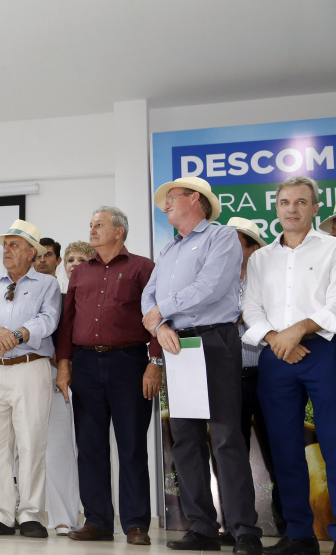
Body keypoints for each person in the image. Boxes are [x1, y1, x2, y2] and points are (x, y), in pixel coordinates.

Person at [142, 176, 262, 555]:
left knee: (226, 437)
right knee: (186, 439)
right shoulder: (168, 249)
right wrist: (160, 326)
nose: (166, 204)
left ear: (195, 198)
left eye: (172, 197)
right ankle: (203, 527)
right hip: (177, 344)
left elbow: (210, 286)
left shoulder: (221, 237)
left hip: (214, 340)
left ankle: (244, 530)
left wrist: (161, 312)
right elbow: (148, 295)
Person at [242, 176, 336, 555]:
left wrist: (297, 330)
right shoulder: (261, 258)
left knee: (334, 444)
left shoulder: (332, 249)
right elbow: (250, 308)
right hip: (277, 356)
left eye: (301, 202)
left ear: (315, 208)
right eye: (285, 202)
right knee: (284, 447)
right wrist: (275, 338)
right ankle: (299, 535)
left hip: (325, 352)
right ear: (276, 208)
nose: (292, 209)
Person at [55, 207, 159, 546]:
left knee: (131, 446)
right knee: (90, 447)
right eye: (91, 225)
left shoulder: (143, 267)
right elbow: (68, 321)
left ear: (119, 231)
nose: (92, 230)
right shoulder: (81, 272)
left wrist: (155, 362)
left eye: (99, 225)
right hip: (85, 364)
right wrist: (64, 363)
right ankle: (97, 521)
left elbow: (157, 316)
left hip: (129, 363)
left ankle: (136, 524)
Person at [0, 219, 60, 538]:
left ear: (32, 253)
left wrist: (15, 336)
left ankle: (31, 514)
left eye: (14, 244)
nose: (7, 249)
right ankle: (0, 514)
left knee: (32, 442)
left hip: (29, 368)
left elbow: (48, 320)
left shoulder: (47, 284)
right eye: (5, 244)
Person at [222, 217, 285, 543]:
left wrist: (245, 315)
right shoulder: (218, 280)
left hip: (267, 376)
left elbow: (277, 321)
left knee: (279, 452)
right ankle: (237, 528)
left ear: (253, 248)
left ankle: (289, 528)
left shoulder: (270, 281)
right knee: (231, 455)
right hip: (229, 379)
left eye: (236, 242)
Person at [34, 236, 81, 535]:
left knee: (60, 449)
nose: (41, 259)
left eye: (47, 255)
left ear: (57, 261)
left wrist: (63, 363)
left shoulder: (66, 298)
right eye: (37, 255)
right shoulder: (17, 294)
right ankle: (24, 513)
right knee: (23, 451)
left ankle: (64, 517)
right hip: (23, 375)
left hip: (59, 376)